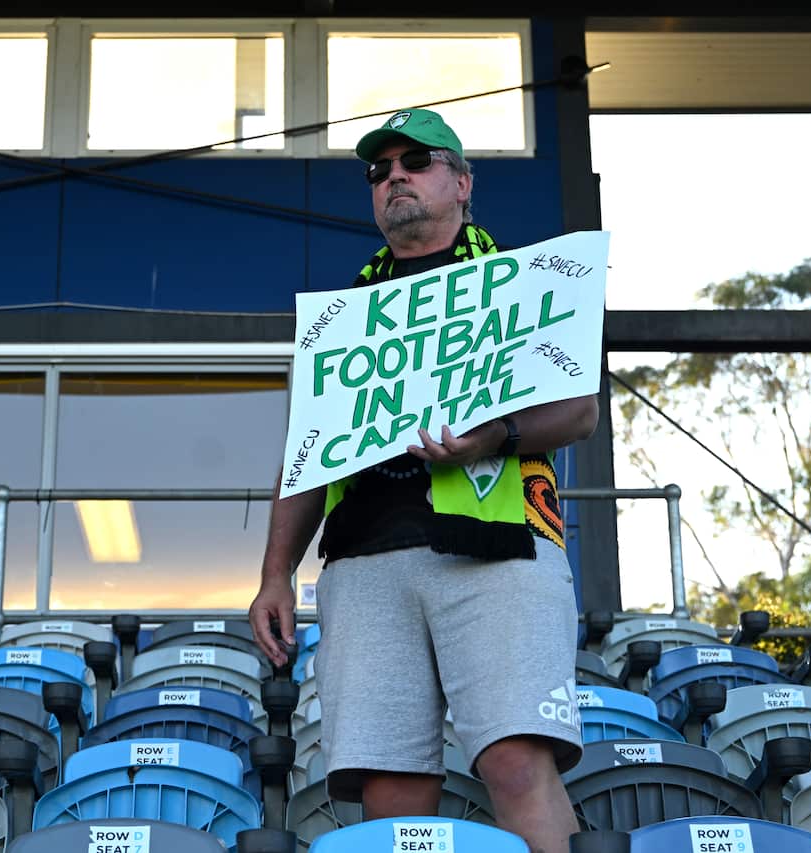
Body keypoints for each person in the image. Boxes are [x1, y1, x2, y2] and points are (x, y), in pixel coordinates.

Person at [248, 108, 598, 853]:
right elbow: (305, 449)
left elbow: (578, 412)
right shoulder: (342, 318)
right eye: (380, 170)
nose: (395, 176)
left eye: (417, 160)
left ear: (463, 182)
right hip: (365, 560)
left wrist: (491, 438)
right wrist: (276, 571)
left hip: (497, 546)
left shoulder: (521, 283)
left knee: (513, 763)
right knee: (392, 790)